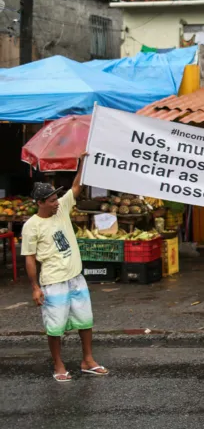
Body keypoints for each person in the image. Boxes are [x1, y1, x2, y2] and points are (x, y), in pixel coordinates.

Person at [22, 155, 108, 382]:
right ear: (40, 202)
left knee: (85, 321)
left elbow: (77, 186)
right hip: (53, 281)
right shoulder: (31, 226)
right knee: (55, 326)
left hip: (76, 278)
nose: (57, 202)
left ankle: (88, 360)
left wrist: (83, 162)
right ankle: (58, 365)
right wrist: (35, 287)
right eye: (51, 200)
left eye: (56, 198)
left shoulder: (61, 210)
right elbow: (29, 258)